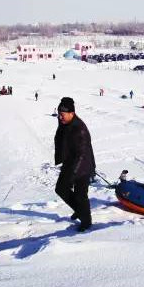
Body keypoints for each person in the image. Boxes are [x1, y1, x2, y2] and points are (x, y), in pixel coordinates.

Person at [54, 97, 96, 232]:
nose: (60, 117)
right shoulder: (66, 123)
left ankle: (86, 221)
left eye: (62, 114)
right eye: (59, 114)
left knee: (80, 194)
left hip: (82, 165)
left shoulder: (79, 129)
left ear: (72, 113)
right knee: (60, 189)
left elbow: (82, 155)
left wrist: (73, 174)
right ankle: (79, 210)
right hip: (70, 162)